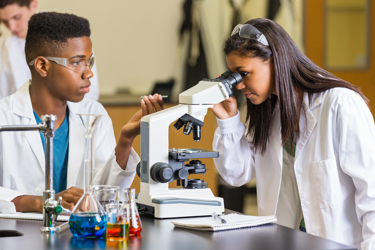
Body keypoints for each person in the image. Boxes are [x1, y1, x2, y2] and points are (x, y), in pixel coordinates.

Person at [212, 18, 375, 249]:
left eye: (244, 73)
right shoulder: (268, 112)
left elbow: (371, 194)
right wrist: (227, 121)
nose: (238, 85)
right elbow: (236, 174)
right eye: (234, 75)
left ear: (275, 61)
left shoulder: (340, 104)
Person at [0, 12, 164, 214]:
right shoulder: (3, 117)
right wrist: (39, 202)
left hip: (77, 239)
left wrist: (125, 140)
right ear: (42, 66)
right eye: (77, 62)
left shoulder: (94, 113)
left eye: (89, 62)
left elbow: (105, 197)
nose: (89, 73)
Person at [0, 0, 100, 100]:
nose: (11, 27)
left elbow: (89, 90)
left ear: (33, 5)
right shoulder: (3, 44)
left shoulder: (69, 38)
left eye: (16, 17)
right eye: (4, 21)